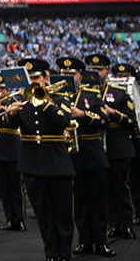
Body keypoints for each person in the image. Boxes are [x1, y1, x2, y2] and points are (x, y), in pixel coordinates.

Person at [4, 58, 74, 261]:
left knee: (63, 214)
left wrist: (45, 103)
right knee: (43, 214)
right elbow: (5, 123)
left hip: (57, 163)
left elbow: (64, 120)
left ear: (46, 78)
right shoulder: (19, 101)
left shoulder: (59, 99)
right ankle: (51, 253)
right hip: (32, 164)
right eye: (30, 79)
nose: (33, 83)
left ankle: (64, 254)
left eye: (36, 78)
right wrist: (10, 114)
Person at [56, 55, 114, 256]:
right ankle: (85, 241)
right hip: (71, 156)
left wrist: (83, 115)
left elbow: (104, 121)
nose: (67, 77)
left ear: (80, 76)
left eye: (71, 74)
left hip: (93, 153)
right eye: (63, 74)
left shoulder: (91, 95)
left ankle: (101, 241)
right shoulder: (57, 98)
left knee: (98, 201)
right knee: (79, 202)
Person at [0, 69, 25, 233]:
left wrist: (1, 108)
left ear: (8, 89)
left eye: (2, 88)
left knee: (16, 187)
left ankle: (19, 218)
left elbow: (11, 124)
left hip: (12, 148)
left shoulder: (15, 102)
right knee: (3, 187)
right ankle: (9, 218)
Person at [99, 59, 136, 238]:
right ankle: (113, 224)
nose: (96, 73)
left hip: (118, 145)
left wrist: (113, 113)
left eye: (99, 70)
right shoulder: (88, 93)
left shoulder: (119, 93)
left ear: (107, 72)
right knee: (105, 189)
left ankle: (126, 224)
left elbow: (131, 121)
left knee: (121, 187)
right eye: (93, 69)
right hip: (99, 147)